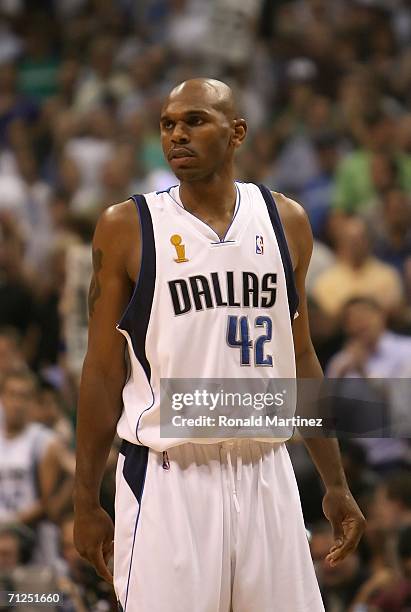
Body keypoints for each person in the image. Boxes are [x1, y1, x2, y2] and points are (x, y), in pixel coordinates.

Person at [74, 78, 365, 612]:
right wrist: (86, 498)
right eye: (167, 125)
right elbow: (101, 372)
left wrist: (335, 481)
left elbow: (300, 359)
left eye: (194, 121)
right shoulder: (127, 227)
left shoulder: (287, 222)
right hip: (169, 477)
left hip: (267, 471)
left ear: (237, 133)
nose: (177, 135)